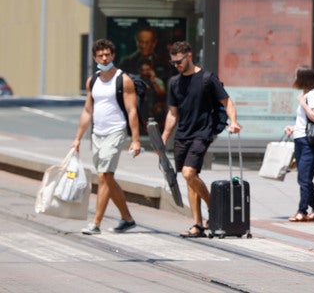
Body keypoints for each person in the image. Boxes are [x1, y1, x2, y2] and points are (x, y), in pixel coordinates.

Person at [159, 40, 241, 238]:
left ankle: (214, 208)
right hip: (182, 135)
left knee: (188, 173)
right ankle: (197, 224)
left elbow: (227, 101)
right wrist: (162, 138)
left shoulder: (207, 78)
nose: (176, 66)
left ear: (189, 56)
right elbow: (172, 114)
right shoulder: (174, 83)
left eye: (179, 61)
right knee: (190, 180)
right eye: (173, 63)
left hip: (202, 133)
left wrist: (234, 121)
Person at [71, 39, 141, 235]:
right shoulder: (92, 80)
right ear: (95, 58)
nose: (104, 58)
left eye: (107, 54)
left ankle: (95, 223)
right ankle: (127, 218)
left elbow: (132, 110)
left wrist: (135, 140)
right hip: (97, 134)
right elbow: (87, 111)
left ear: (113, 56)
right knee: (105, 177)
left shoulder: (123, 79)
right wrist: (77, 138)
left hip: (116, 131)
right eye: (100, 55)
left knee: (105, 175)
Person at [283, 66, 314, 222]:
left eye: (296, 76)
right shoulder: (306, 94)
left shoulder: (312, 95)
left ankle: (302, 211)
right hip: (300, 139)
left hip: (309, 143)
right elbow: (305, 121)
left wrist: (303, 103)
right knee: (303, 178)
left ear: (303, 78)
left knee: (304, 178)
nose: (294, 79)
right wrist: (293, 128)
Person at [139, 58, 168, 131]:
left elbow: (162, 95)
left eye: (147, 70)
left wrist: (153, 82)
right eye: (143, 70)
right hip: (142, 111)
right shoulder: (137, 81)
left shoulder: (157, 81)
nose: (145, 72)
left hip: (155, 113)